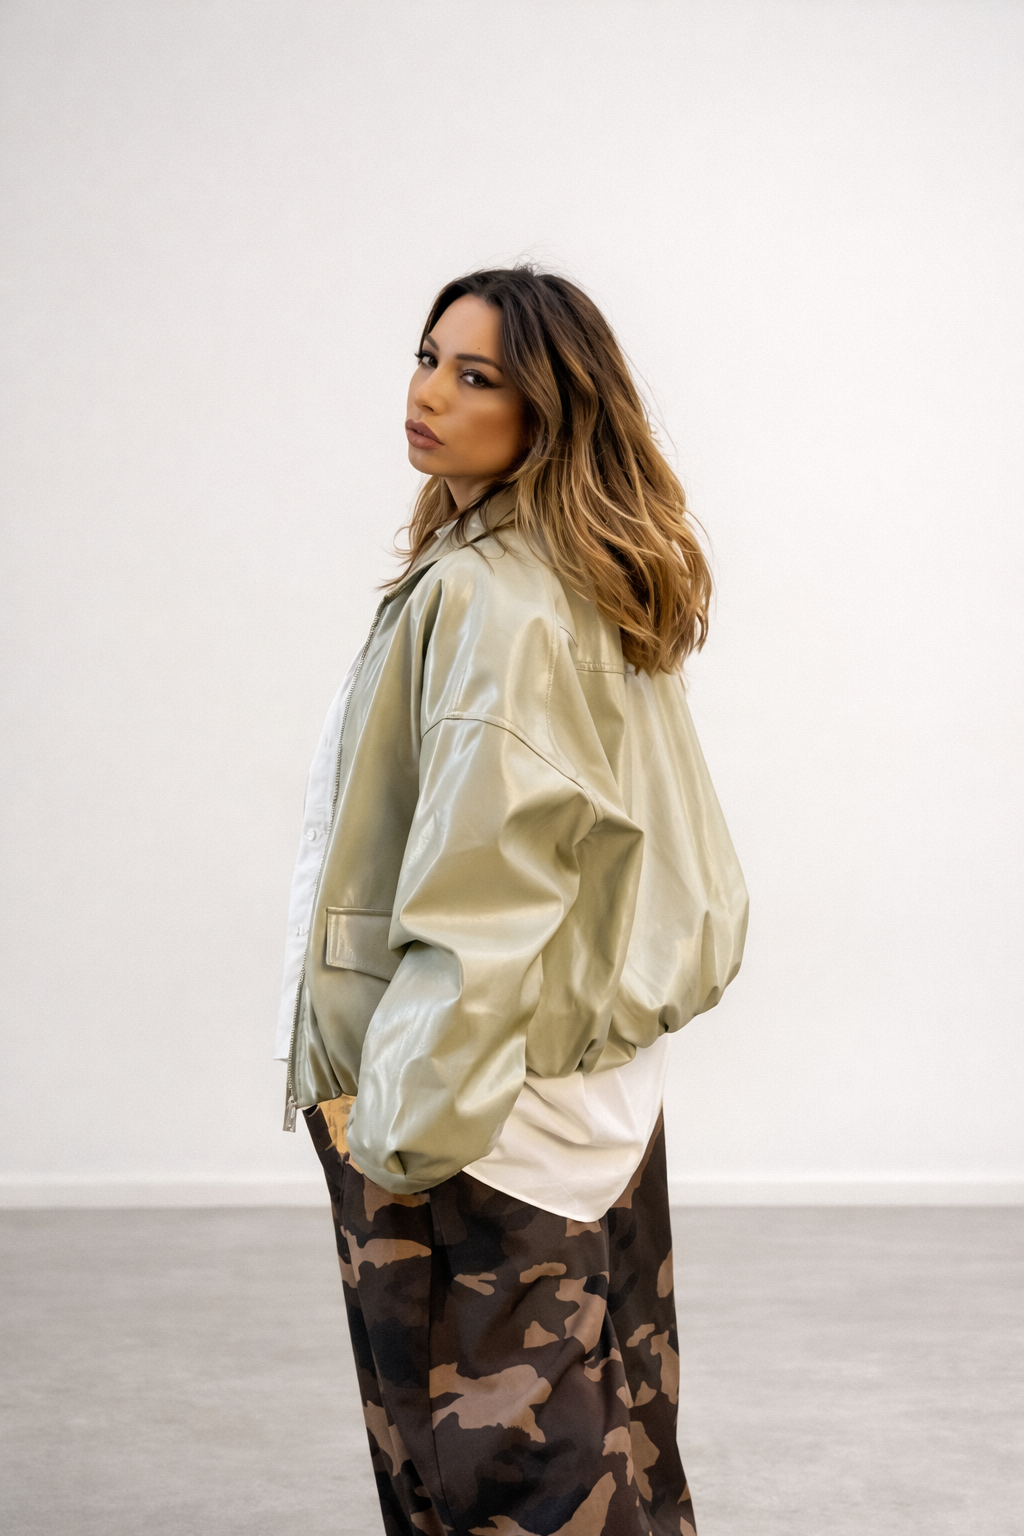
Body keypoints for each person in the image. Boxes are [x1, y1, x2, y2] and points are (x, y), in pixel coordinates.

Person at [275, 266, 748, 1536]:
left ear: (549, 410)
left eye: (475, 375)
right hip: (585, 1086)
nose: (430, 393)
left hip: (471, 1105)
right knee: (617, 1451)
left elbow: (484, 883)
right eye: (427, 358)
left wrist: (398, 1129)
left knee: (483, 1481)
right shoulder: (578, 570)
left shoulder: (490, 595)